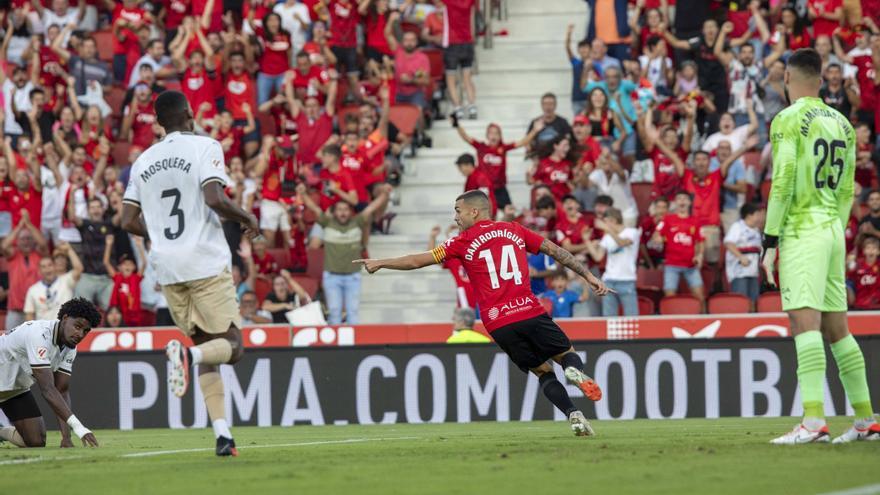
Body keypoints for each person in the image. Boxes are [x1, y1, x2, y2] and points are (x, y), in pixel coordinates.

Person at [354, 190, 612, 437]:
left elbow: (416, 261)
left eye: (458, 211)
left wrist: (380, 262)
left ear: (474, 211)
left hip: (498, 322)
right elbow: (557, 251)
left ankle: (573, 414)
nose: (455, 217)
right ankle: (573, 371)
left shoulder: (461, 241)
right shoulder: (514, 229)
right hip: (529, 311)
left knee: (542, 372)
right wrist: (588, 275)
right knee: (566, 355)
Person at [121, 90, 261, 457]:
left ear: (158, 122)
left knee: (206, 349)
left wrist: (161, 236)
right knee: (232, 346)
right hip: (203, 260)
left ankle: (222, 435)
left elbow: (126, 220)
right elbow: (214, 197)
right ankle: (188, 358)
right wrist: (246, 217)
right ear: (188, 113)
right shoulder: (205, 146)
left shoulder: (142, 161)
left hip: (167, 268)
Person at [761, 48, 878, 444]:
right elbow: (848, 190)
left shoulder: (788, 118)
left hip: (801, 229)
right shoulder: (843, 123)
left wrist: (770, 240)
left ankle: (813, 421)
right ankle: (866, 420)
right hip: (832, 230)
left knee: (803, 322)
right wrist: (836, 231)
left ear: (789, 80)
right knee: (837, 329)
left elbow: (785, 177)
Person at [0, 298, 101, 448]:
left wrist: (66, 437)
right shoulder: (39, 335)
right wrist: (79, 427)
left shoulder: (70, 348)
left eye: (85, 331)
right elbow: (47, 389)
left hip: (14, 389)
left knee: (36, 441)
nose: (80, 334)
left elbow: (61, 391)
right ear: (65, 318)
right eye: (77, 326)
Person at [297, 181, 391, 325]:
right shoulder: (327, 223)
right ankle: (335, 347)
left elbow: (371, 208)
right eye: (339, 209)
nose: (342, 212)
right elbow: (314, 208)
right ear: (334, 212)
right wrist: (303, 194)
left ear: (350, 212)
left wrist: (385, 194)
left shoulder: (357, 222)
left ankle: (354, 347)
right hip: (332, 277)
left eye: (346, 209)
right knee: (334, 312)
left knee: (352, 311)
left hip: (353, 276)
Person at [653, 192, 705, 307]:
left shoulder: (696, 221)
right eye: (679, 199)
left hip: (690, 265)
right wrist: (657, 239)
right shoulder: (667, 220)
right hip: (672, 264)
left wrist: (700, 255)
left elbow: (700, 241)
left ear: (689, 203)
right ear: (675, 203)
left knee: (700, 296)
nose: (682, 201)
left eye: (685, 199)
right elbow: (656, 235)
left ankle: (703, 320)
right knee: (669, 297)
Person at [585, 207, 640, 316]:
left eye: (605, 222)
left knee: (632, 318)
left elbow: (623, 243)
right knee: (609, 320)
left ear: (613, 220)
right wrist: (586, 240)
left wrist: (608, 230)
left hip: (627, 281)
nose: (603, 225)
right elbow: (597, 257)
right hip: (608, 280)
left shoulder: (632, 232)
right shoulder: (607, 237)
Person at [2, 212, 48, 329]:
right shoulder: (13, 255)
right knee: (10, 343)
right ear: (17, 242)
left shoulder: (38, 254)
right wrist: (19, 227)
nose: (26, 241)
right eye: (23, 239)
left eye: (29, 238)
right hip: (15, 308)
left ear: (33, 241)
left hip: (36, 308)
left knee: (35, 342)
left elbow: (43, 243)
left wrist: (29, 224)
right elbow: (4, 246)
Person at [24, 243, 83, 322]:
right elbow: (29, 315)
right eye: (43, 267)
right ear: (39, 271)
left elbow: (78, 269)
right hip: (43, 331)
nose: (47, 269)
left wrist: (69, 249)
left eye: (50, 265)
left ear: (55, 267)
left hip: (64, 330)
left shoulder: (65, 281)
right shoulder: (33, 290)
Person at [723, 203, 764, 308]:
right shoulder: (738, 227)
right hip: (739, 272)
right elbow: (728, 243)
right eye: (757, 214)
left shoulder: (755, 230)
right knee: (741, 301)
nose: (760, 217)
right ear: (749, 215)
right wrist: (740, 257)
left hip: (753, 272)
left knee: (754, 301)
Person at [846, 236, 880, 310]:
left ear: (878, 252)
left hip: (877, 305)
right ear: (864, 251)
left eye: (874, 248)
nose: (871, 251)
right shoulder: (857, 264)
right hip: (860, 304)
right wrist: (848, 264)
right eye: (868, 248)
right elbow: (848, 277)